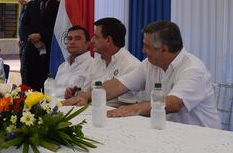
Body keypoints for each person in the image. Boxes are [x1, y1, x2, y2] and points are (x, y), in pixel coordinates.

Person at [65, 21, 221, 128]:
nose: (142, 51)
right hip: (166, 131)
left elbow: (174, 103)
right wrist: (87, 96)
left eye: (146, 46)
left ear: (164, 49)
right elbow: (120, 84)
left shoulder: (193, 69)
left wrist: (134, 109)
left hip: (200, 138)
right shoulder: (149, 63)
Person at [65, 17, 140, 104]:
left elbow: (131, 105)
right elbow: (85, 94)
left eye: (96, 37)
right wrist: (74, 94)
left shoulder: (131, 65)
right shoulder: (95, 62)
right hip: (91, 110)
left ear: (108, 40)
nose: (92, 40)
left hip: (113, 111)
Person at [21, 0, 59, 91]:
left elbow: (57, 27)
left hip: (49, 50)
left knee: (46, 83)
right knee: (30, 84)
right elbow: (25, 24)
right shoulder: (31, 5)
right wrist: (33, 39)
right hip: (31, 49)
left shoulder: (58, 6)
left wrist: (41, 36)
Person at [55, 25, 93, 97]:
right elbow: (53, 91)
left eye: (77, 38)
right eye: (69, 39)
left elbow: (86, 95)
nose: (72, 42)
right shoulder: (62, 66)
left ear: (87, 43)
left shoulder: (93, 64)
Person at [16, 0, 32, 76]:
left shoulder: (33, 6)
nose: (18, 1)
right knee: (23, 69)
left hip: (29, 42)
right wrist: (19, 37)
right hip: (22, 43)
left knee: (26, 68)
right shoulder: (24, 7)